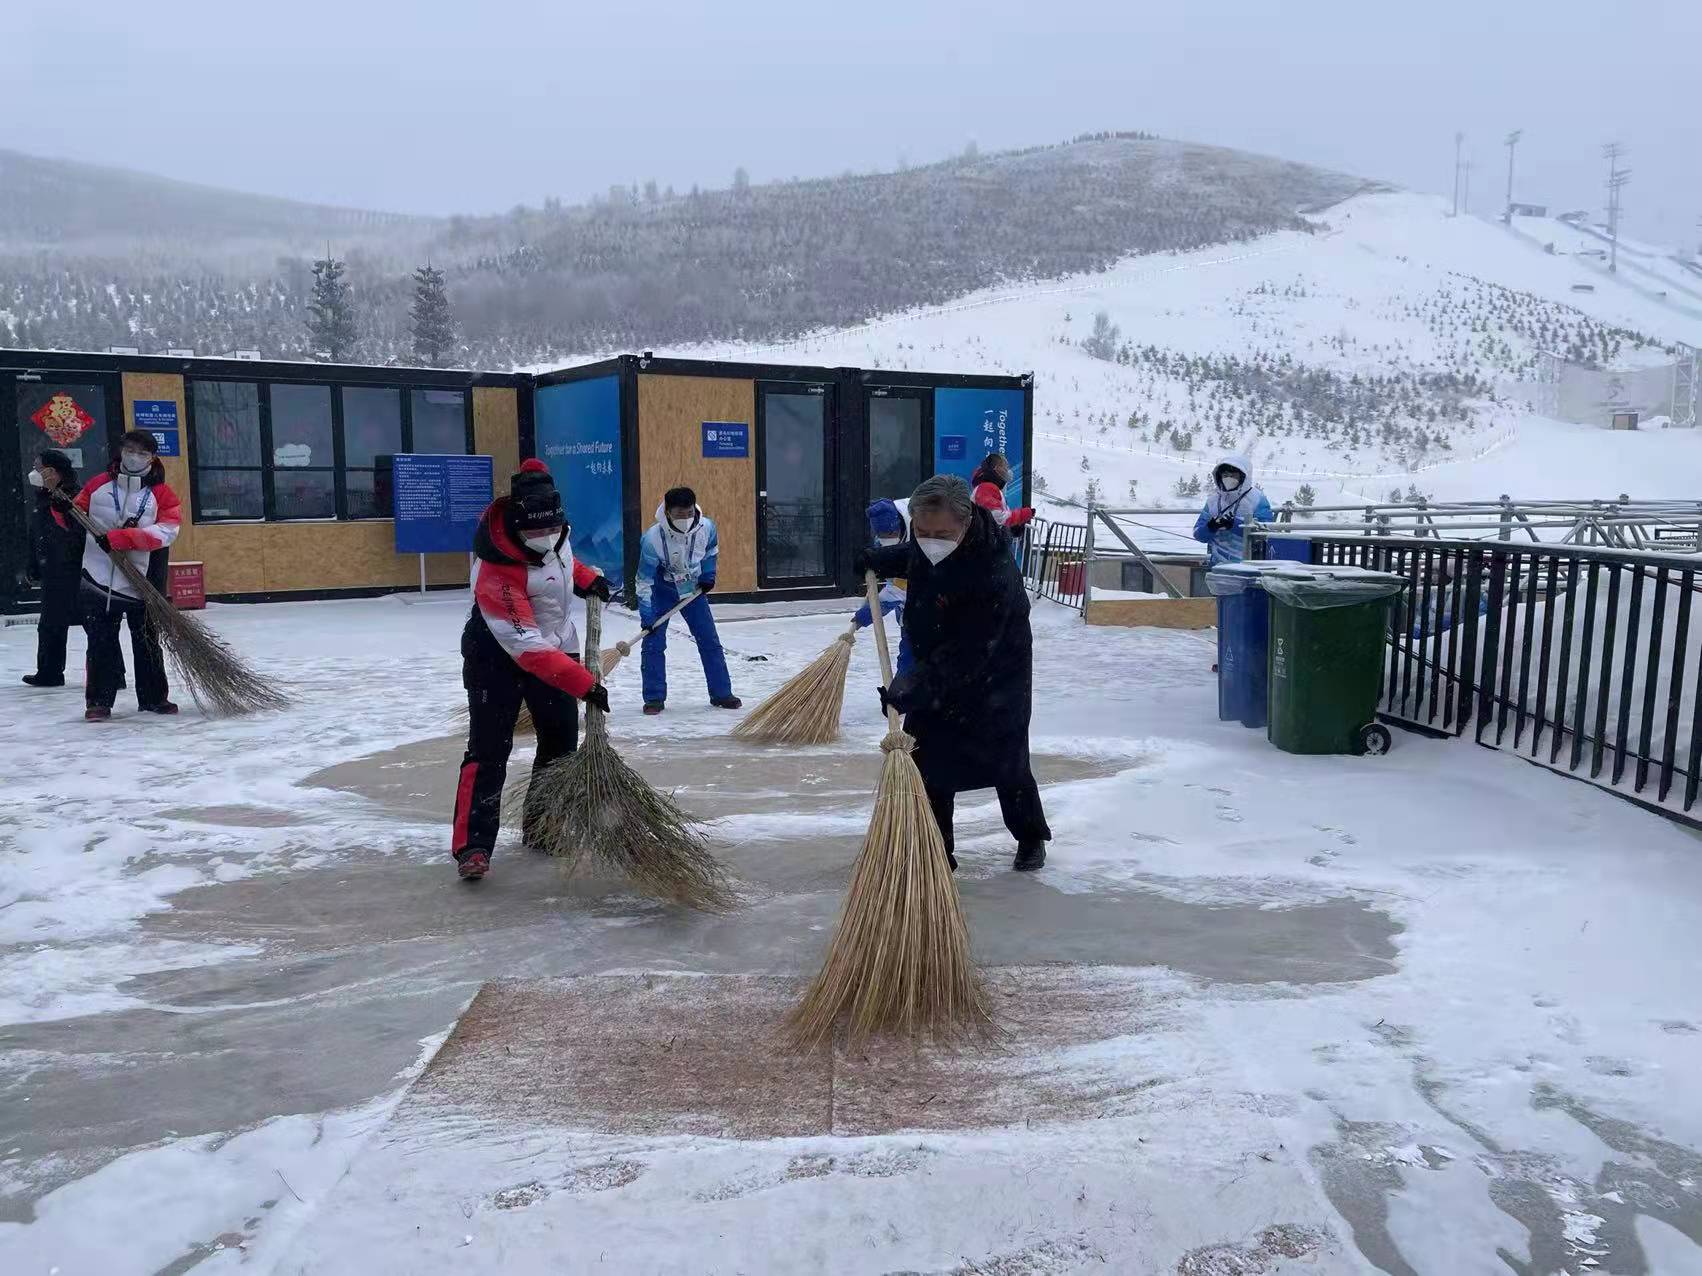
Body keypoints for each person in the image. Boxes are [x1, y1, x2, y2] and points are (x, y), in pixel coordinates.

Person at [857, 473, 1051, 873]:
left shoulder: (993, 569)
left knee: (1007, 762)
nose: (931, 541)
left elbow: (970, 650)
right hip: (937, 660)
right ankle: (936, 852)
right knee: (927, 761)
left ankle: (1030, 835)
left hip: (997, 672)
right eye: (921, 531)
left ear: (967, 522)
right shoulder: (933, 540)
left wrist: (914, 686)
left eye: (942, 534)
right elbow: (917, 556)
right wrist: (878, 559)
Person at [453, 459, 612, 881]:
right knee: (489, 749)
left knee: (560, 743)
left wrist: (586, 580)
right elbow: (526, 646)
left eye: (554, 529)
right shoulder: (495, 568)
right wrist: (584, 684)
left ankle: (544, 827)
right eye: (538, 532)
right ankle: (473, 846)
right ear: (518, 525)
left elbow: (561, 565)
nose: (548, 537)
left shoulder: (555, 534)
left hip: (556, 647)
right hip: (497, 657)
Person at [64, 430, 181, 721]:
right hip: (99, 577)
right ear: (121, 451)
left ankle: (154, 698)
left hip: (144, 580)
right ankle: (99, 702)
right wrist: (61, 509)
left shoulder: (162, 493)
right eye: (130, 450)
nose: (135, 457)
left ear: (152, 458)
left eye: (142, 453)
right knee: (100, 641)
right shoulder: (97, 485)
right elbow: (73, 517)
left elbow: (168, 531)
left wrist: (125, 538)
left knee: (147, 641)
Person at [636, 486, 741, 715]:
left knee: (709, 640)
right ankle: (654, 698)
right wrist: (647, 614)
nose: (685, 519)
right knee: (653, 643)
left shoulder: (707, 527)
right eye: (679, 514)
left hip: (692, 590)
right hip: (661, 590)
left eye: (689, 513)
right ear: (667, 512)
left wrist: (708, 574)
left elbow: (711, 552)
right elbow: (643, 580)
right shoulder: (652, 539)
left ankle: (721, 693)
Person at [23, 449, 84, 688]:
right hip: (52, 571)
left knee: (95, 626)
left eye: (39, 468)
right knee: (50, 624)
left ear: (54, 472)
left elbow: (79, 534)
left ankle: (111, 674)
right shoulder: (43, 497)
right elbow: (36, 535)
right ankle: (49, 673)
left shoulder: (75, 498)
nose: (34, 472)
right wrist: (33, 564)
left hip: (76, 570)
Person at [851, 498, 915, 678]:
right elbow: (893, 580)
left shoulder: (921, 528)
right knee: (909, 645)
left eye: (891, 533)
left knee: (916, 649)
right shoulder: (882, 536)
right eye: (883, 535)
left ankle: (906, 686)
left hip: (933, 602)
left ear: (899, 524)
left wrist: (876, 607)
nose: (887, 538)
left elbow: (902, 587)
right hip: (910, 606)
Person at [1192, 452, 1273, 565]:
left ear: (1244, 476)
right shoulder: (1213, 501)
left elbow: (1265, 532)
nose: (1228, 479)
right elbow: (1198, 534)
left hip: (1249, 565)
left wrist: (1235, 525)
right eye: (1225, 475)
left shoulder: (1257, 499)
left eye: (1233, 475)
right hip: (1217, 565)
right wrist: (1210, 527)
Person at [970, 453, 1035, 533]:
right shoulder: (986, 488)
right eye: (1005, 466)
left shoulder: (989, 487)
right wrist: (1024, 514)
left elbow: (998, 518)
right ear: (996, 468)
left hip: (986, 537)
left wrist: (1013, 527)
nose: (1007, 470)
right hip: (983, 539)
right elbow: (998, 518)